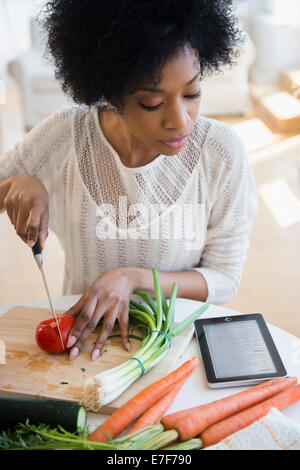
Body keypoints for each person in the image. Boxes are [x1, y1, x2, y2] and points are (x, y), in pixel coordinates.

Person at [0, 0, 258, 361]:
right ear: (110, 90)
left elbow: (224, 278)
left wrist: (134, 278)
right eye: (152, 103)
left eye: (192, 92)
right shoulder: (67, 134)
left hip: (174, 348)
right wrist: (18, 184)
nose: (180, 120)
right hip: (82, 347)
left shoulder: (221, 152)